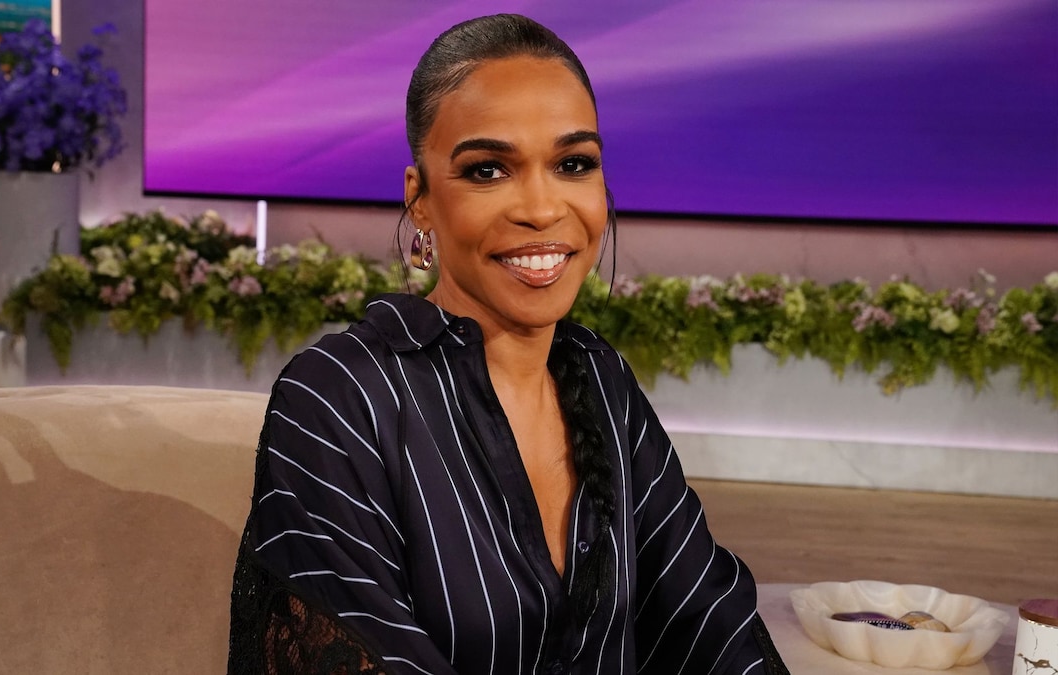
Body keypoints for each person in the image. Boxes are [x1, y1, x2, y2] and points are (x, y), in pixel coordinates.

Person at [229, 13, 788, 674]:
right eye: (489, 170)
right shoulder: (337, 399)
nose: (542, 209)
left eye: (573, 164)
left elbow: (708, 623)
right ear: (421, 199)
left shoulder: (601, 382)